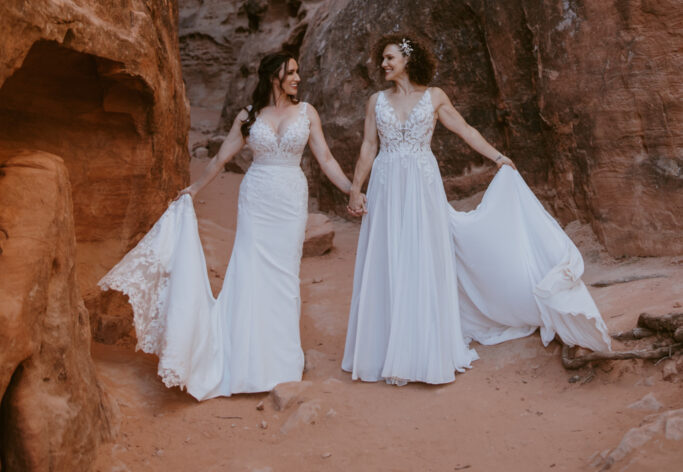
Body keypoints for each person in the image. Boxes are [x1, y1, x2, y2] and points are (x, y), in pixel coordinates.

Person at [343, 33, 610, 385]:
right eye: (383, 59)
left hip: (422, 185)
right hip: (387, 183)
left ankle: (424, 348)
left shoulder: (434, 97)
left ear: (407, 60)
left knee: (423, 255)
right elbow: (367, 147)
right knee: (388, 256)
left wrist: (498, 157)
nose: (383, 64)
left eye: (390, 57)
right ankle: (386, 348)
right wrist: (355, 190)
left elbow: (464, 129)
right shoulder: (375, 101)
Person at [100, 52, 352, 400]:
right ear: (273, 76)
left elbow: (325, 158)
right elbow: (221, 158)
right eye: (291, 72)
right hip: (257, 199)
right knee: (249, 272)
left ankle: (280, 363)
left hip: (290, 199)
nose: (297, 77)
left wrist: (351, 189)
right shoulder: (248, 117)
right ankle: (245, 362)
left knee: (284, 276)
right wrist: (194, 188)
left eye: (297, 72)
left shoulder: (307, 112)